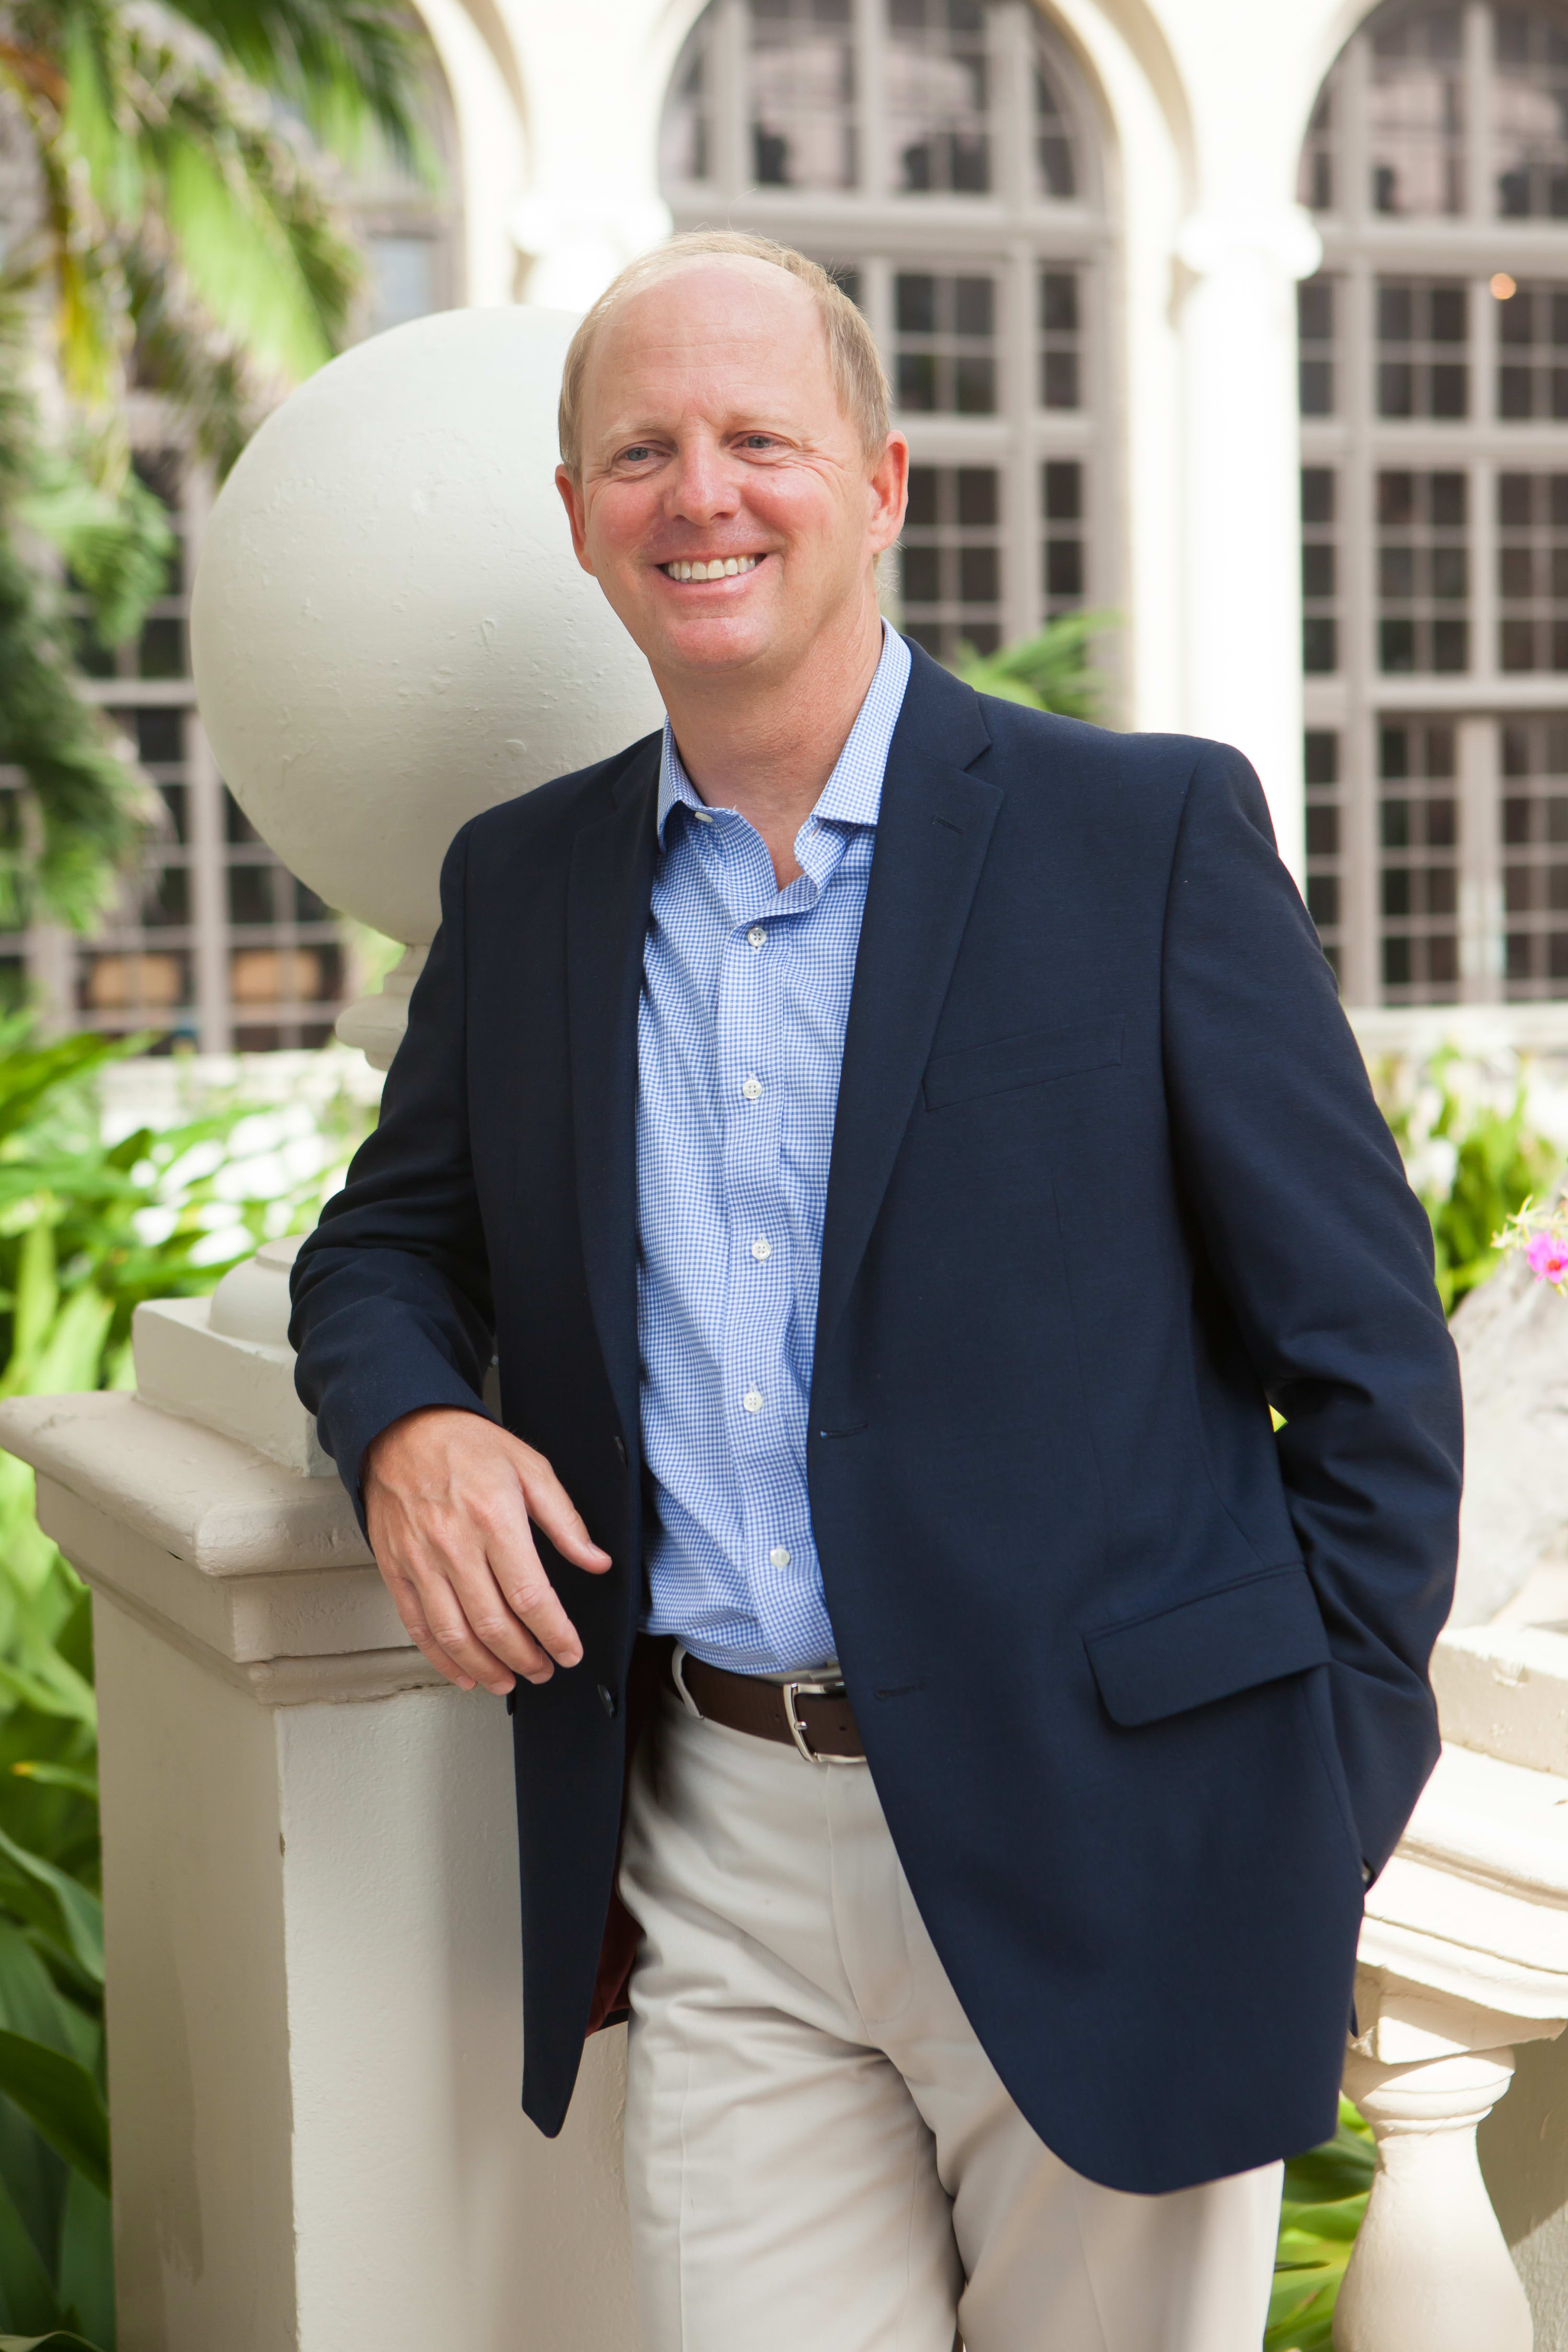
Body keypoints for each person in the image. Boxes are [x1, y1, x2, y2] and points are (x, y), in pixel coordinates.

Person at [289, 229, 1462, 2352]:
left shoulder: (1148, 838)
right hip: (713, 1840)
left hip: (1123, 1839)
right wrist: (412, 1420)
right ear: (576, 521)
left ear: (886, 481)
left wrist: (1306, 1814)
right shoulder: (525, 883)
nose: (700, 493)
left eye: (761, 439)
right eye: (641, 450)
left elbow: (1371, 1369)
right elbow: (387, 1242)